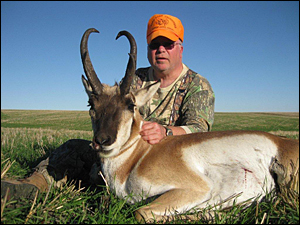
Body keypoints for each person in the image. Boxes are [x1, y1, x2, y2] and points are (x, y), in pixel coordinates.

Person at [1, 14, 215, 200]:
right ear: (149, 49)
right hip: (124, 153)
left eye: (168, 44)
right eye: (154, 44)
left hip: (168, 158)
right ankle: (33, 186)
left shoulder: (197, 85)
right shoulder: (135, 78)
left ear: (180, 48)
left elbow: (200, 128)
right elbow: (110, 103)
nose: (161, 50)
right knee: (74, 148)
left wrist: (165, 132)